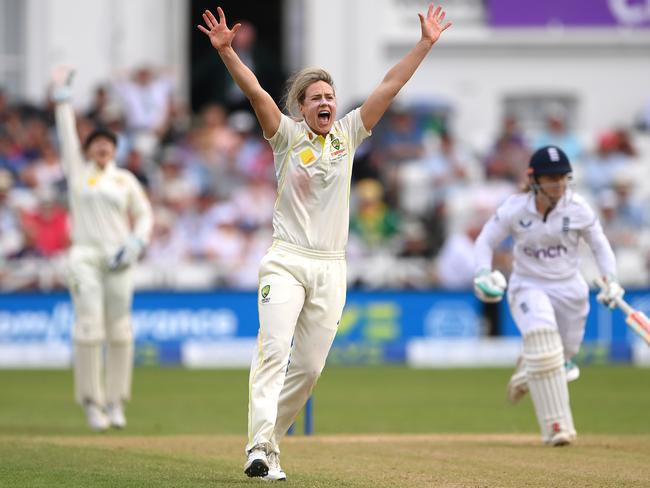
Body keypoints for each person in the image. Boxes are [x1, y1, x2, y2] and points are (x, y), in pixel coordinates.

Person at [198, 4, 451, 479]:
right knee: (273, 350)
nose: (323, 103)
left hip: (332, 265)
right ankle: (256, 447)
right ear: (301, 106)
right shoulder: (286, 137)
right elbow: (254, 92)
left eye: (329, 95)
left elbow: (390, 85)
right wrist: (228, 53)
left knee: (310, 369)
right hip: (286, 260)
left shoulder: (349, 134)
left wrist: (424, 44)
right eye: (314, 97)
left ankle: (271, 445)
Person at [473, 145, 622, 446]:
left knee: (562, 359)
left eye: (562, 177)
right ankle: (557, 427)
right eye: (551, 178)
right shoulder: (516, 207)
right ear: (534, 178)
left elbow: (600, 245)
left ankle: (527, 367)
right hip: (529, 285)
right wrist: (481, 273)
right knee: (543, 339)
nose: (558, 184)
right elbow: (486, 240)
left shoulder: (578, 207)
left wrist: (611, 279)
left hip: (570, 289)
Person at [51, 66, 153, 432]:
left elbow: (144, 216)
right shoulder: (78, 172)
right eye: (96, 142)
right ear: (89, 148)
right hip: (85, 256)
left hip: (119, 258)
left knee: (121, 331)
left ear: (114, 148)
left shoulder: (124, 180)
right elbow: (66, 137)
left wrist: (135, 243)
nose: (102, 146)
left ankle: (115, 402)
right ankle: (92, 402)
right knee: (89, 328)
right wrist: (62, 96)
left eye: (108, 142)